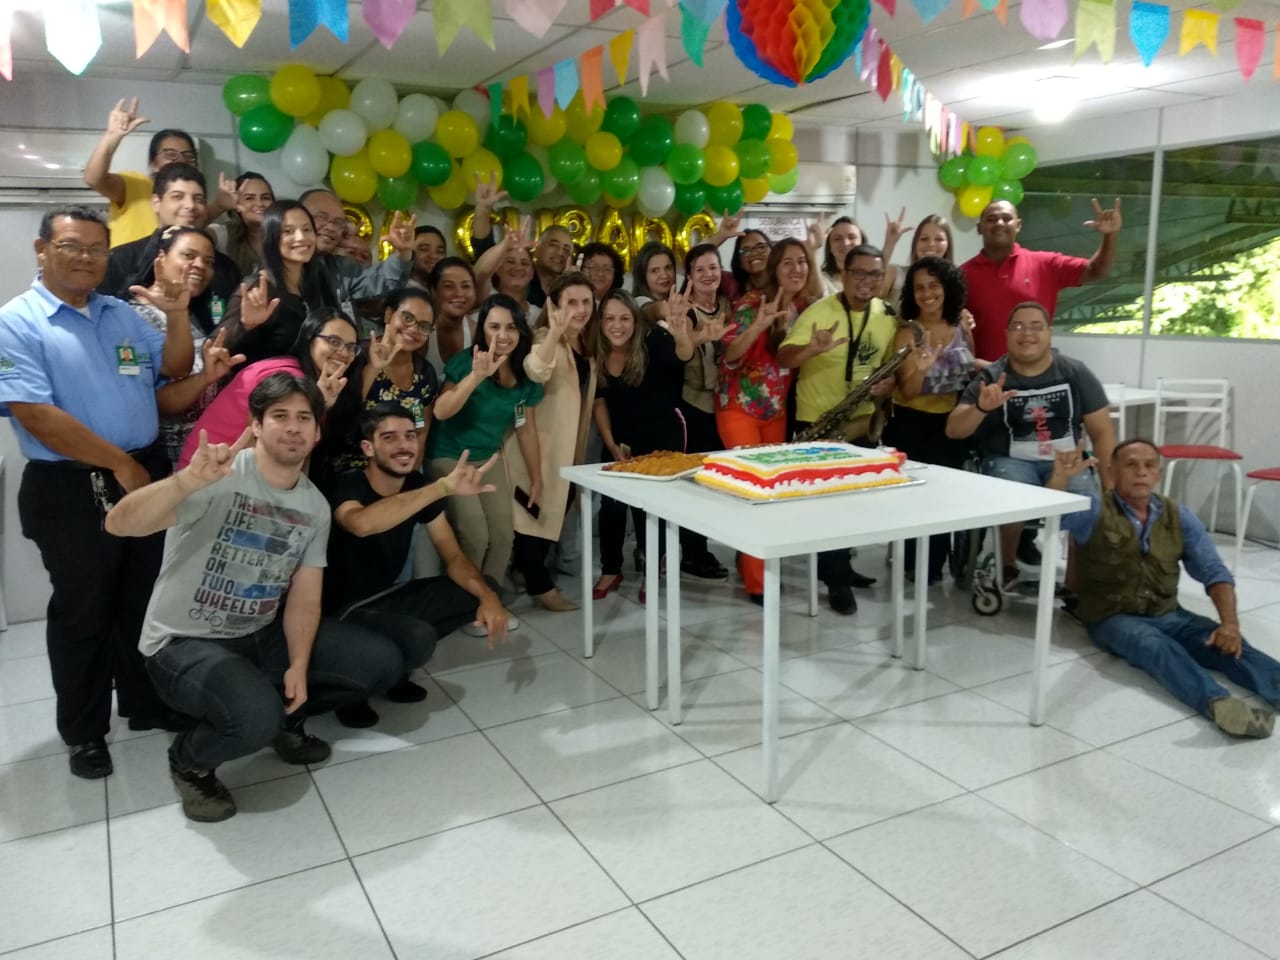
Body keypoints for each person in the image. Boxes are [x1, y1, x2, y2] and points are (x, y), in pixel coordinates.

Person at [104, 373, 404, 822]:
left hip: (259, 632)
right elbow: (119, 524)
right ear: (257, 425)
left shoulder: (314, 506)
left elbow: (305, 597)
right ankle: (190, 762)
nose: (293, 427)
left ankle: (285, 720)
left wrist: (298, 667)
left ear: (317, 433)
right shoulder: (218, 477)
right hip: (184, 641)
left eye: (304, 418)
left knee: (377, 663)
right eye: (279, 416)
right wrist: (185, 482)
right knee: (252, 717)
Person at [0, 205, 195, 779]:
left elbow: (174, 367)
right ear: (42, 250)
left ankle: (143, 702)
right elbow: (36, 415)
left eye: (96, 248)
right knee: (83, 612)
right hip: (70, 486)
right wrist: (119, 465)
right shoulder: (16, 322)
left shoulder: (120, 313)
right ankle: (84, 732)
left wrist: (176, 316)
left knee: (143, 599)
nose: (85, 258)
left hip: (144, 469)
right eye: (71, 246)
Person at [1050, 438, 1278, 738]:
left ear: (1158, 473)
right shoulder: (1093, 509)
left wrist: (1230, 625)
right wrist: (1059, 480)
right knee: (1154, 646)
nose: (1141, 472)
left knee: (1227, 644)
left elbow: (1214, 572)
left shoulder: (1179, 516)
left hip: (1170, 614)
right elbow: (1047, 517)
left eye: (1149, 465)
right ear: (1112, 472)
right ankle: (1220, 706)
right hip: (1112, 617)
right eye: (1131, 465)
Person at [324, 403, 515, 727]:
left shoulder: (416, 484)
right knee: (417, 636)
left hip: (386, 597)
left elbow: (454, 557)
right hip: (340, 610)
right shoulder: (348, 484)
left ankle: (392, 668)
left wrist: (488, 598)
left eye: (410, 435)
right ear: (368, 448)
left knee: (482, 589)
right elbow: (361, 523)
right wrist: (441, 488)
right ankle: (352, 690)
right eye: (390, 437)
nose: (403, 445)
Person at [946, 301, 1116, 591]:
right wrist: (981, 408)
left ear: (1049, 333)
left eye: (1036, 327)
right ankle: (1007, 564)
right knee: (1014, 493)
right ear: (1007, 334)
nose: (1027, 334)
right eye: (1018, 327)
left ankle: (1075, 585)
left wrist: (1112, 489)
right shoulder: (993, 376)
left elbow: (1102, 433)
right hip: (1009, 460)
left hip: (1066, 460)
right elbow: (953, 429)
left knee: (1088, 505)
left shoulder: (1075, 372)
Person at [777, 243, 898, 614]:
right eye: (859, 273)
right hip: (818, 419)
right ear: (844, 274)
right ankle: (837, 581)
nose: (867, 281)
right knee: (827, 504)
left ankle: (840, 565)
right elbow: (783, 357)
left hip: (860, 418)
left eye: (875, 274)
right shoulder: (818, 311)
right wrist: (810, 350)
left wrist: (889, 385)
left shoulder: (887, 315)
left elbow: (890, 366)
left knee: (852, 502)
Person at [720, 238, 820, 601]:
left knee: (772, 493)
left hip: (776, 411)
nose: (796, 269)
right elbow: (730, 356)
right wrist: (758, 325)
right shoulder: (753, 303)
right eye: (787, 262)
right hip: (738, 408)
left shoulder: (803, 308)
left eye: (802, 261)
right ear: (775, 268)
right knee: (756, 493)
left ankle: (750, 560)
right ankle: (758, 583)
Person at [427, 294, 543, 585]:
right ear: (483, 329)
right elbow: (441, 411)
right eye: (494, 327)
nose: (503, 335)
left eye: (511, 327)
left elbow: (525, 429)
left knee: (503, 536)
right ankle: (463, 600)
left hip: (487, 457)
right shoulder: (466, 362)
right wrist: (477, 377)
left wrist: (537, 478)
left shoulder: (525, 373)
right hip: (449, 456)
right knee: (475, 535)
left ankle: (490, 597)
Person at [591, 290, 697, 599]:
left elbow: (684, 354)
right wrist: (611, 443)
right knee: (611, 506)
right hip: (620, 439)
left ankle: (653, 568)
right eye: (610, 319)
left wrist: (681, 334)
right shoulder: (596, 352)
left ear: (635, 321)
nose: (617, 326)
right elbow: (599, 401)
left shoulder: (654, 342)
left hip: (661, 436)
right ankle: (611, 568)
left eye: (625, 318)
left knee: (650, 508)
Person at [505, 274, 597, 611]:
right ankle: (540, 586)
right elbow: (534, 369)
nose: (581, 309)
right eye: (571, 302)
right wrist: (555, 333)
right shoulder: (546, 337)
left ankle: (526, 573)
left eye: (586, 302)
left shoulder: (585, 342)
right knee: (534, 512)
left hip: (567, 447)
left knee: (549, 510)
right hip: (539, 445)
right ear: (555, 306)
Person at [882, 256, 975, 584]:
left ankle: (936, 563)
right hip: (911, 424)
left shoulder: (962, 325)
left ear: (947, 288)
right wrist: (920, 371)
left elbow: (969, 371)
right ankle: (915, 564)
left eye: (933, 286)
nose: (927, 294)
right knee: (917, 500)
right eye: (919, 288)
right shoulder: (908, 333)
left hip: (950, 425)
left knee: (945, 498)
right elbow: (907, 392)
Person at [179, 309, 356, 468]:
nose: (344, 352)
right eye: (334, 341)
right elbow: (263, 454)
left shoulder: (314, 384)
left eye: (351, 347)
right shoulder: (287, 378)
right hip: (206, 477)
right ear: (310, 339)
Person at [132, 226, 244, 466]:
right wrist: (203, 379)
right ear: (161, 258)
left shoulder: (190, 312)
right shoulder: (131, 317)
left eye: (209, 261)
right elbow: (157, 401)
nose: (200, 265)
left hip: (206, 450)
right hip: (168, 460)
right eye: (189, 255)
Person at [961, 198, 1121, 364]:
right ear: (979, 228)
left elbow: (1096, 270)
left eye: (1006, 218)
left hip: (1037, 375)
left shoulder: (1046, 264)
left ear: (1018, 225)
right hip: (985, 376)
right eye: (991, 219)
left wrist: (1110, 236)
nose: (999, 223)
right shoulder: (962, 275)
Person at [82, 99, 233, 248]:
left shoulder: (193, 195)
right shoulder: (135, 184)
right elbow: (94, 179)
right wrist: (111, 137)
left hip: (174, 261)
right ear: (154, 163)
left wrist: (219, 204)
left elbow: (192, 221)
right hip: (130, 262)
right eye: (170, 154)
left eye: (188, 156)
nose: (181, 161)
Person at [323, 287, 439, 476]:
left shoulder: (424, 373)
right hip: (349, 467)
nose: (413, 329)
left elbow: (420, 430)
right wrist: (373, 368)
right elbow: (342, 418)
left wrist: (407, 477)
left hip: (397, 471)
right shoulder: (355, 355)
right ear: (388, 315)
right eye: (407, 318)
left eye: (424, 326)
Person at [98, 164, 242, 313]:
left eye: (198, 199)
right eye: (177, 197)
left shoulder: (226, 269)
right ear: (156, 202)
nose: (190, 205)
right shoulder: (121, 260)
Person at [672, 243, 733, 582]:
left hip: (725, 405)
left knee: (715, 482)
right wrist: (699, 336)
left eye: (713, 267)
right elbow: (678, 351)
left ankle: (707, 545)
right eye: (700, 270)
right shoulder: (685, 312)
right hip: (692, 406)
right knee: (694, 482)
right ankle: (693, 553)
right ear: (690, 277)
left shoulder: (727, 306)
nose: (708, 274)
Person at [218, 201, 342, 365]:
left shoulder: (317, 280)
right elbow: (216, 348)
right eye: (288, 231)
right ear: (271, 238)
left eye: (307, 229)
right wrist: (245, 326)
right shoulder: (259, 287)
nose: (301, 237)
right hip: (269, 379)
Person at [297, 188, 415, 308]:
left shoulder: (341, 269)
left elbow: (382, 281)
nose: (331, 227)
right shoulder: (285, 261)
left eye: (338, 222)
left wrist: (403, 251)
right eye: (321, 217)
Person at [469, 177, 573, 307]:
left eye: (566, 249)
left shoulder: (567, 288)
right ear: (538, 248)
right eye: (554, 245)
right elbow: (482, 250)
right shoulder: (495, 289)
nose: (560, 252)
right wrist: (483, 209)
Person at [879, 211, 955, 309]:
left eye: (939, 239)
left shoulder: (953, 285)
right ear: (915, 243)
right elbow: (874, 292)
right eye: (924, 239)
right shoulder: (897, 275)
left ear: (948, 245)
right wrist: (889, 243)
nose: (931, 244)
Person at [208, 171, 274, 277]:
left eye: (265, 198)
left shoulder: (284, 235)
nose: (259, 203)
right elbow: (186, 231)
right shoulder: (223, 234)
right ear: (236, 203)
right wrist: (219, 206)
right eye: (249, 198)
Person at [426, 257, 480, 371]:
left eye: (466, 286)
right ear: (433, 291)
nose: (459, 293)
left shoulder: (477, 332)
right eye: (448, 286)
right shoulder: (421, 330)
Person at [819, 217, 863, 296]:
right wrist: (813, 249)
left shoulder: (870, 277)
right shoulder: (822, 279)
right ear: (830, 247)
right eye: (837, 239)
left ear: (862, 243)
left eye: (851, 237)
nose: (845, 243)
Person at [632, 241, 678, 311]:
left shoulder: (676, 300)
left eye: (668, 267)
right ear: (642, 276)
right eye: (655, 270)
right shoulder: (638, 303)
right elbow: (651, 310)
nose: (664, 275)